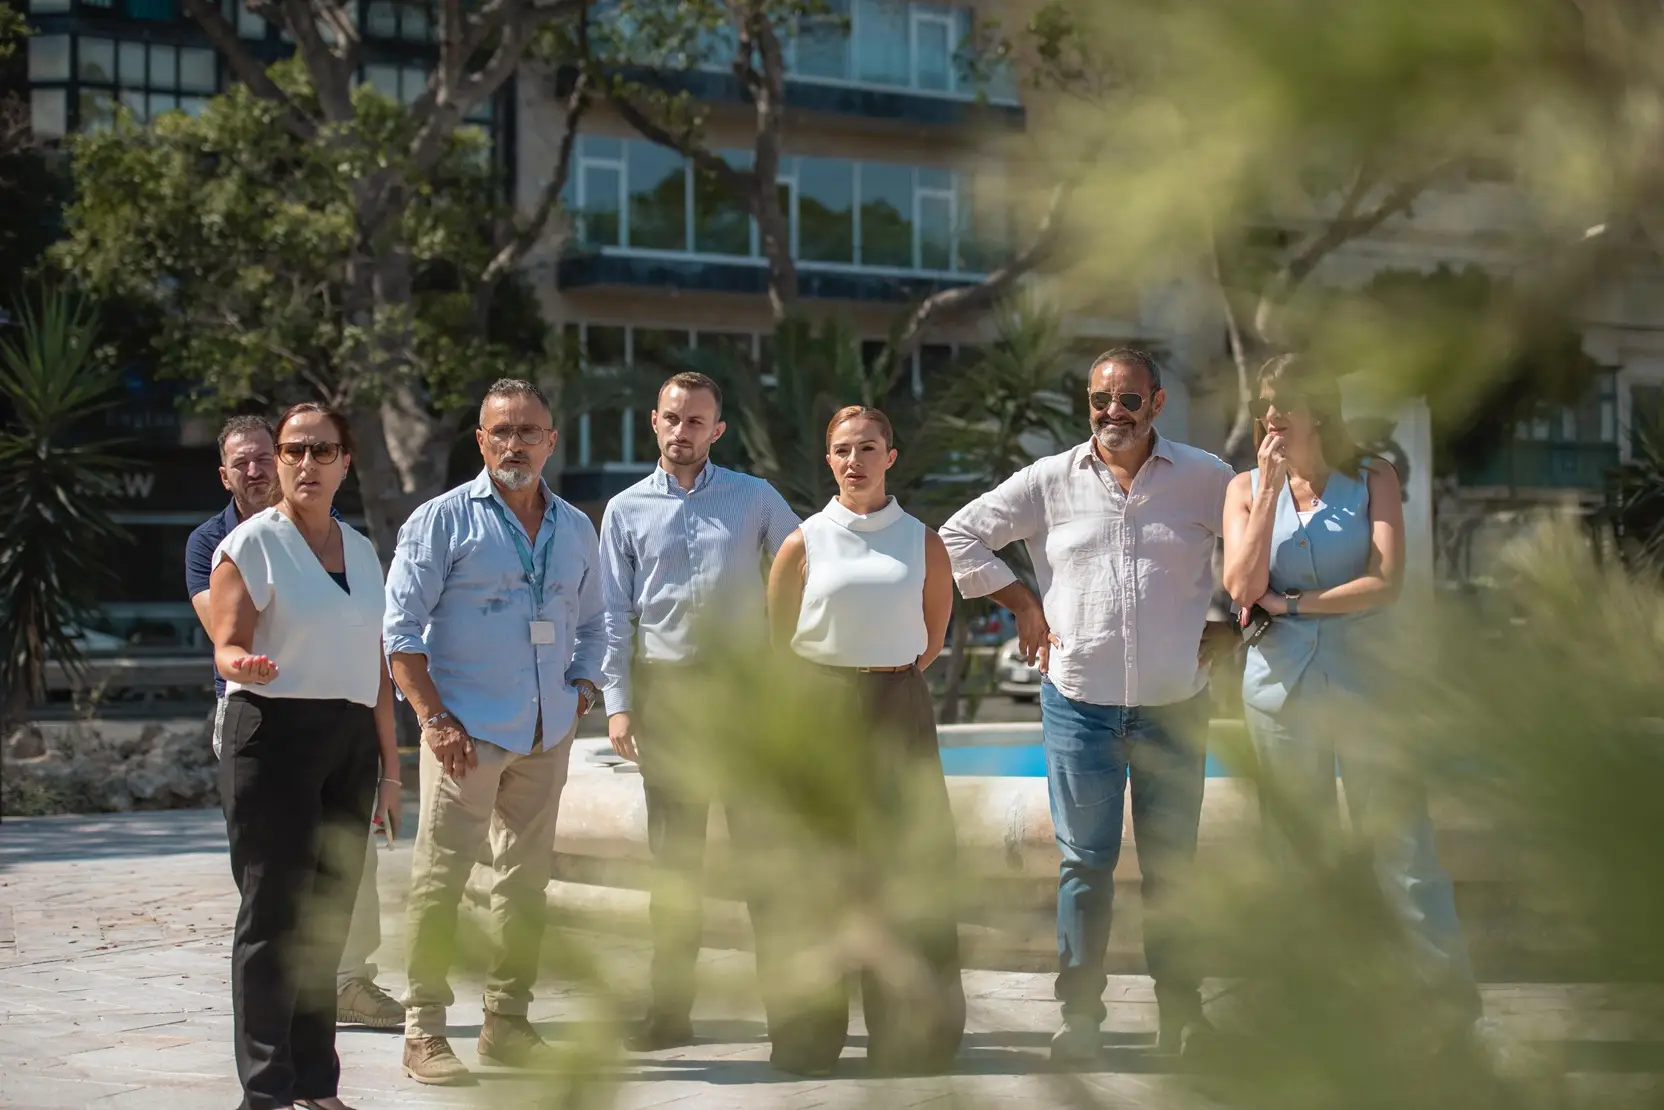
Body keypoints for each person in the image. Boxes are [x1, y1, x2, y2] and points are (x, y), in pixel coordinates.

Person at [939, 348, 1237, 1065]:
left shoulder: (1207, 478)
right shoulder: (1049, 480)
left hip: (1175, 705)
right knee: (1083, 868)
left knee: (1175, 871)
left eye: (1128, 399)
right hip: (1079, 704)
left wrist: (1236, 619)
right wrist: (1021, 601)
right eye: (1101, 399)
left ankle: (1184, 1017)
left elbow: (1265, 543)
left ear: (1157, 403)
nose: (1113, 413)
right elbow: (955, 537)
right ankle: (1079, 1020)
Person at [1220, 354, 1479, 1025]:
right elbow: (1242, 587)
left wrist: (1294, 604)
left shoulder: (1373, 477)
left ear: (1320, 409)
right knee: (1293, 852)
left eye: (1285, 401)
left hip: (1369, 683)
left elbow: (1385, 581)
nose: (1271, 415)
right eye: (1263, 403)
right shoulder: (1244, 488)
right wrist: (1270, 492)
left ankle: (1448, 1006)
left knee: (1403, 846)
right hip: (1278, 689)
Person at [385, 378, 606, 1086]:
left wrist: (583, 690)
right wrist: (434, 720)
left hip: (546, 733)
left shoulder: (576, 528)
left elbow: (596, 624)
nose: (515, 444)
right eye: (501, 432)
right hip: (466, 736)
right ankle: (423, 1030)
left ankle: (507, 1023)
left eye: (528, 431)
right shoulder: (440, 521)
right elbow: (400, 634)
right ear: (480, 441)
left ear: (551, 441)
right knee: (440, 881)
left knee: (526, 884)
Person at [598, 371, 801, 1052]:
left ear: (717, 430)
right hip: (667, 697)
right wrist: (619, 706)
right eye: (671, 417)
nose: (681, 431)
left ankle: (790, 1017)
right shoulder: (623, 510)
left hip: (743, 695)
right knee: (674, 865)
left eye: (695, 421)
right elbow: (612, 615)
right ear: (654, 421)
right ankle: (668, 1014)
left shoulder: (755, 497)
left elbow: (808, 562)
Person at [208, 403, 401, 1110]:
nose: (305, 463)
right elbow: (226, 643)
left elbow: (376, 666)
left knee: (328, 920)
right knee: (273, 920)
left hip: (349, 741)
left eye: (322, 450)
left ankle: (318, 1086)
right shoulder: (253, 544)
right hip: (272, 734)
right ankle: (266, 1092)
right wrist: (244, 665)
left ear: (346, 461)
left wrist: (391, 769)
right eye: (293, 450)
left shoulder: (364, 551)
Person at [762, 405, 964, 1077]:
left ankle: (914, 1035)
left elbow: (930, 639)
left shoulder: (923, 541)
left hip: (898, 705)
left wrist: (883, 678)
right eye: (843, 449)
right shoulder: (803, 543)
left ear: (890, 457)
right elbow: (781, 641)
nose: (855, 461)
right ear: (829, 461)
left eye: (868, 448)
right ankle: (807, 1038)